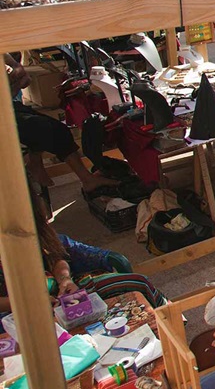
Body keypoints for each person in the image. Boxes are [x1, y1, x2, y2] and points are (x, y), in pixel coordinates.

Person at [0, 193, 167, 310]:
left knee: (138, 283)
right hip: (14, 313)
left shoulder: (32, 229)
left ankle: (174, 337)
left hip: (61, 294)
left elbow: (57, 254)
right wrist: (28, 303)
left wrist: (64, 280)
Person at [6, 54, 119, 194]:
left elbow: (23, 76)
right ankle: (35, 161)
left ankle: (85, 179)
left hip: (8, 105)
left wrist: (14, 76)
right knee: (40, 127)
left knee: (60, 129)